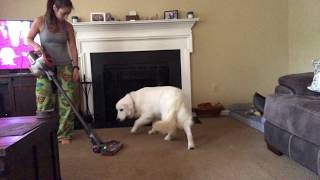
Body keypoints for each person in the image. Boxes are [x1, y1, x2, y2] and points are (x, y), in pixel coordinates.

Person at [27, 0, 79, 144]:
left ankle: (64, 134)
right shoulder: (40, 21)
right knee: (43, 101)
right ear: (55, 8)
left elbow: (73, 47)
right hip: (45, 66)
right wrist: (35, 44)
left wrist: (76, 67)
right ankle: (46, 135)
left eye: (68, 13)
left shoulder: (68, 26)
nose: (66, 16)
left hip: (65, 66)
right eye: (64, 13)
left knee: (67, 101)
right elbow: (28, 38)